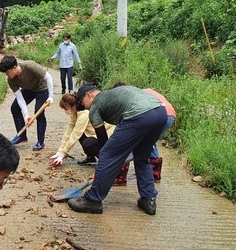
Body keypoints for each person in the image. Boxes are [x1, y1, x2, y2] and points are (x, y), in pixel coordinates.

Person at [67, 83, 167, 215]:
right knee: (142, 157)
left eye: (82, 103)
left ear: (89, 95)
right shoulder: (113, 94)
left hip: (139, 115)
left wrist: (104, 167)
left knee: (107, 154)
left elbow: (103, 144)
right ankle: (149, 199)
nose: (85, 107)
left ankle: (93, 200)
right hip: (160, 113)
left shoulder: (95, 105)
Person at [112, 86, 176, 186]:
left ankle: (120, 177)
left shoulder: (132, 97)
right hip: (169, 115)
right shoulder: (146, 91)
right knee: (149, 142)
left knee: (131, 142)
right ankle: (155, 175)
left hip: (155, 114)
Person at [0, 55, 54, 151]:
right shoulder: (11, 80)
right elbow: (20, 98)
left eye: (7, 72)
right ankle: (22, 136)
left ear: (15, 67)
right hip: (28, 90)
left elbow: (48, 78)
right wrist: (26, 116)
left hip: (42, 89)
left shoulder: (30, 66)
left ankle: (40, 142)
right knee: (15, 108)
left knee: (39, 112)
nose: (7, 75)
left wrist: (51, 97)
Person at [49, 92, 113, 166]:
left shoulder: (84, 113)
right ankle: (90, 157)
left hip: (106, 134)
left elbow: (75, 134)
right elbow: (69, 130)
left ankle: (105, 160)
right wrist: (60, 150)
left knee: (87, 143)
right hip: (93, 132)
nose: (66, 111)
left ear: (74, 106)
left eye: (66, 109)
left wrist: (64, 153)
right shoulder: (75, 112)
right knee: (80, 134)